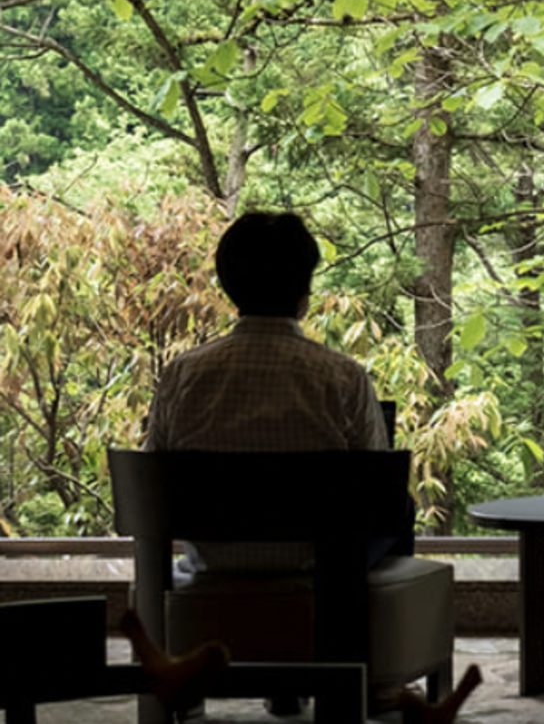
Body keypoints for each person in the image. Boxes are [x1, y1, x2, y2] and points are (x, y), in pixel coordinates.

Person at [145, 211, 405, 716]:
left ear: (228, 287)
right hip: (320, 566)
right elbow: (376, 488)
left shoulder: (182, 375)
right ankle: (368, 679)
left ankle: (201, 691)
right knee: (398, 506)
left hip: (213, 559)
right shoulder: (342, 376)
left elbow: (154, 480)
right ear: (305, 290)